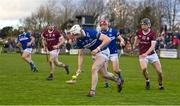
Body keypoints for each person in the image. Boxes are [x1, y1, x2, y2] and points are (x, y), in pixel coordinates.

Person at [67, 24, 123, 97]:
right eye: (74, 35)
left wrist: (98, 49)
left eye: (75, 35)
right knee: (105, 75)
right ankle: (118, 80)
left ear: (80, 31)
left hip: (104, 51)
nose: (75, 37)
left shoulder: (90, 32)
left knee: (94, 69)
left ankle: (92, 91)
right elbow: (80, 55)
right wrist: (79, 68)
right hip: (96, 54)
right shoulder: (79, 41)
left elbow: (107, 39)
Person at [133, 18, 164, 90]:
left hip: (152, 55)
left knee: (159, 72)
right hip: (142, 54)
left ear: (149, 25)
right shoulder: (139, 32)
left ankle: (160, 84)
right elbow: (136, 42)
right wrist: (135, 43)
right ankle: (147, 80)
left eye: (144, 25)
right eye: (142, 25)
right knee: (143, 69)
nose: (143, 26)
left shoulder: (152, 34)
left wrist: (146, 53)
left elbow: (152, 47)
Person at [99, 19, 125, 88]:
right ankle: (106, 83)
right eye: (101, 25)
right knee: (105, 69)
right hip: (104, 53)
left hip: (113, 53)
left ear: (107, 25)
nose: (103, 27)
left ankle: (120, 76)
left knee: (115, 70)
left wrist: (122, 41)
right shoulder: (99, 33)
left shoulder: (113, 31)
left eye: (104, 25)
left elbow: (121, 38)